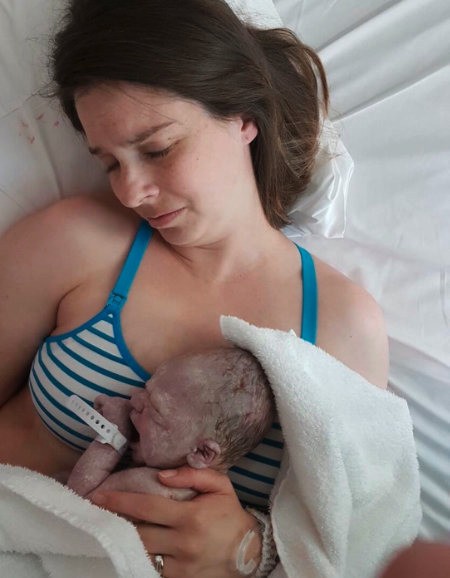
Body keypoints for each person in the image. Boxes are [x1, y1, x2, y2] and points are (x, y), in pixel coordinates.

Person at [0, 0, 389, 576]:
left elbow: (357, 547)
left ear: (243, 118)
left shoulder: (339, 324)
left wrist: (253, 549)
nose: (130, 191)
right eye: (110, 163)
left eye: (157, 149)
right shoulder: (75, 242)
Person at [66, 347, 274, 498]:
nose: (134, 400)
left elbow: (77, 502)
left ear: (202, 453)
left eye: (155, 408)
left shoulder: (157, 484)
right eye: (145, 389)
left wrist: (112, 434)